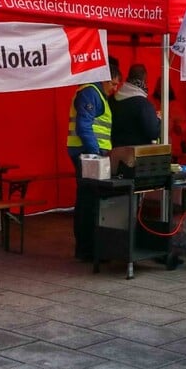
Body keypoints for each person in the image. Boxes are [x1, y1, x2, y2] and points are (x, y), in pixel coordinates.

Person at [67, 56, 121, 262]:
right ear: (105, 78)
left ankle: (87, 247)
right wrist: (97, 154)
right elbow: (84, 126)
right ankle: (86, 248)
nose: (115, 89)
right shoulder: (91, 92)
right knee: (88, 202)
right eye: (113, 83)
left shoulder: (95, 93)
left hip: (87, 153)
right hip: (87, 154)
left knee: (87, 200)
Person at [111, 63, 161, 147]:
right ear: (145, 78)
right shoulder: (144, 104)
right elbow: (153, 133)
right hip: (137, 154)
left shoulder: (112, 100)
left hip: (114, 151)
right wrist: (159, 120)